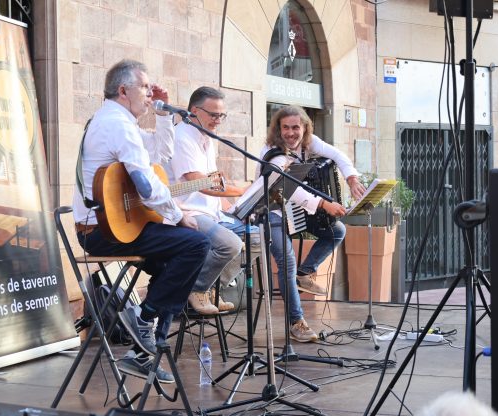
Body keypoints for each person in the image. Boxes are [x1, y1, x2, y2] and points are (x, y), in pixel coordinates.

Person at [72, 59, 210, 381]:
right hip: (101, 231)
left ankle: (141, 353)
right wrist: (177, 216)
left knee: (172, 267)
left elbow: (159, 156)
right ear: (123, 91)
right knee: (196, 245)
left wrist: (162, 116)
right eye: (145, 87)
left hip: (111, 226)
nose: (150, 93)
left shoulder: (119, 122)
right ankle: (144, 321)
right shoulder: (117, 125)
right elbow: (147, 186)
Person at [255, 105, 366, 342]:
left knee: (336, 231)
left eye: (295, 127)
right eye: (285, 128)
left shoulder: (309, 143)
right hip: (271, 211)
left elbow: (338, 155)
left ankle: (305, 272)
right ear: (278, 129)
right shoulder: (273, 153)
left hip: (295, 211)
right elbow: (287, 188)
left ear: (305, 128)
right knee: (287, 262)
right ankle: (296, 322)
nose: (290, 133)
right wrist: (324, 204)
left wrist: (352, 179)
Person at [168, 86, 250, 315]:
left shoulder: (206, 137)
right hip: (188, 212)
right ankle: (196, 288)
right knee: (230, 244)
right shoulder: (182, 137)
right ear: (194, 111)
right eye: (214, 115)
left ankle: (212, 287)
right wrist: (241, 191)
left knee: (256, 237)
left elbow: (215, 180)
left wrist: (236, 207)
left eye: (222, 115)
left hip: (211, 213)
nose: (218, 121)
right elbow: (200, 183)